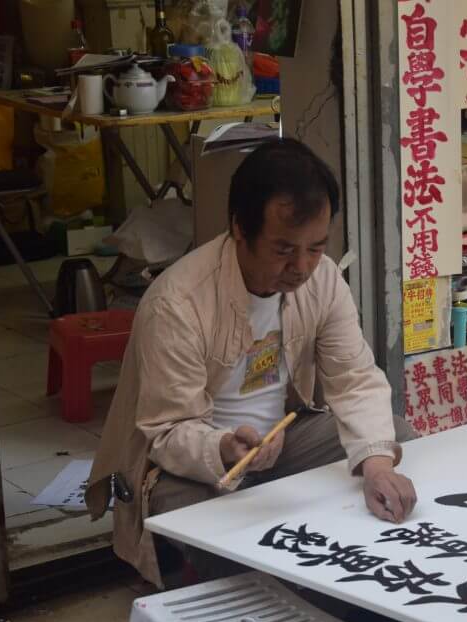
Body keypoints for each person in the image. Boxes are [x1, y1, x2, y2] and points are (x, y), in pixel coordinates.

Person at [86, 138, 418, 587]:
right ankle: (271, 598)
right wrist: (223, 448)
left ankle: (368, 574)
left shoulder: (322, 281)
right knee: (181, 506)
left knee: (390, 438)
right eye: (283, 250)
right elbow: (166, 432)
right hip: (200, 464)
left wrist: (377, 465)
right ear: (240, 229)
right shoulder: (176, 302)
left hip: (283, 441)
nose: (301, 267)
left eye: (316, 248)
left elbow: (354, 379)